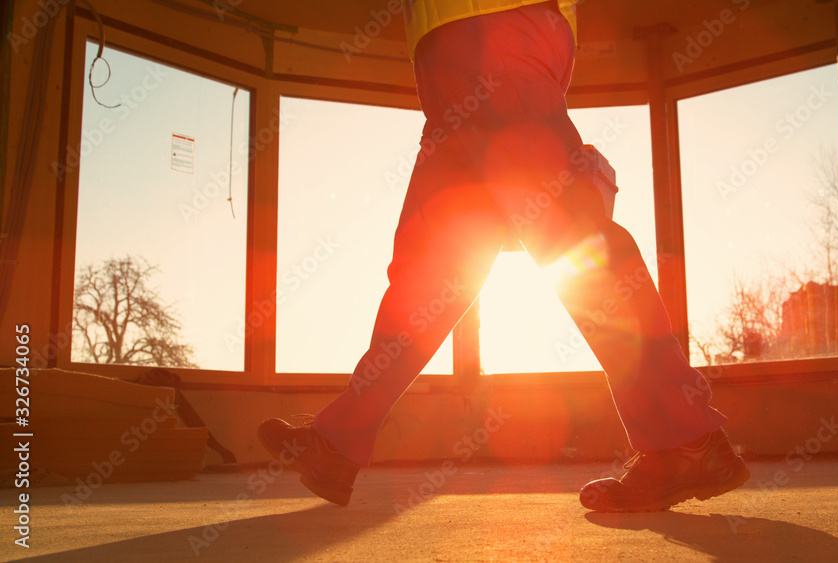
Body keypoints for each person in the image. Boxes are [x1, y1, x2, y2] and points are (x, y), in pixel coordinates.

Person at [258, 0, 749, 513]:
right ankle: (338, 442)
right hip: (451, 47)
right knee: (434, 270)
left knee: (573, 239)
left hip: (490, 30)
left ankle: (684, 441)